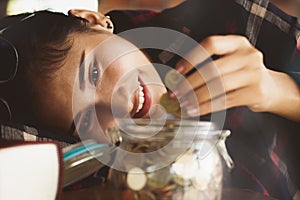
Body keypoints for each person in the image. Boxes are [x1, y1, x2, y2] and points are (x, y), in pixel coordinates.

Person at [0, 0, 299, 199]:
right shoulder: (112, 176)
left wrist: (278, 90)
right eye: (86, 119)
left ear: (93, 20)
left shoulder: (227, 20)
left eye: (93, 73)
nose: (115, 107)